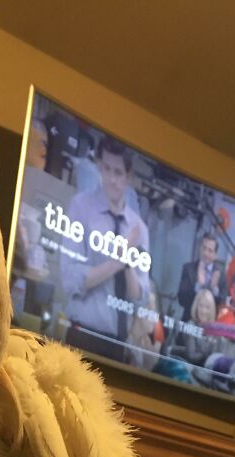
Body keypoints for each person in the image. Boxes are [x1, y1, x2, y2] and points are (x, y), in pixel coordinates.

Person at [61, 135, 150, 363]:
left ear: (128, 177)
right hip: (83, 337)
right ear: (99, 165)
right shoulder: (81, 207)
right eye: (106, 168)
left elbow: (139, 296)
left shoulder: (139, 229)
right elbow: (71, 279)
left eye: (118, 173)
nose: (111, 179)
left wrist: (127, 263)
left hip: (118, 345)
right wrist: (118, 259)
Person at [177, 233, 227, 322]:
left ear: (215, 254)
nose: (205, 253)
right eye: (204, 248)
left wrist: (214, 289)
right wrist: (198, 287)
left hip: (210, 327)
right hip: (188, 323)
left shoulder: (220, 274)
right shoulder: (188, 269)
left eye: (210, 250)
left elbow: (223, 304)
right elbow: (181, 300)